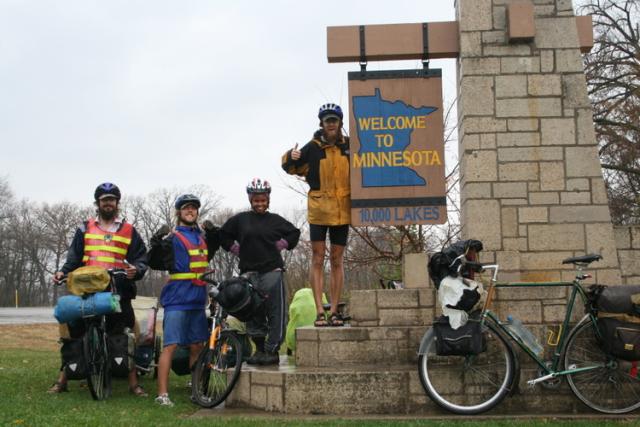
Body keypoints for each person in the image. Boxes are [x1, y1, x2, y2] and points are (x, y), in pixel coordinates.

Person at [49, 182, 148, 396]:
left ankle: (133, 384)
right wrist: (62, 272)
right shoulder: (84, 228)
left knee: (124, 332)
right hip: (87, 288)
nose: (108, 203)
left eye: (112, 199)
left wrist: (136, 269)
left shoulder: (129, 230)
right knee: (75, 332)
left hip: (117, 288)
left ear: (117, 203)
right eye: (104, 200)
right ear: (98, 203)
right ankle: (63, 380)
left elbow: (141, 257)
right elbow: (74, 258)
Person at [147, 194, 220, 406]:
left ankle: (196, 391)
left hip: (197, 300)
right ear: (179, 212)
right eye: (186, 208)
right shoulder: (172, 237)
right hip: (177, 298)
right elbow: (154, 260)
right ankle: (162, 395)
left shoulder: (202, 237)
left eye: (194, 208)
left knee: (197, 345)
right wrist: (156, 240)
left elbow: (213, 249)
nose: (190, 211)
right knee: (170, 346)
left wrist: (214, 233)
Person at [281, 103, 350, 327]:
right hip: (319, 210)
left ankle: (336, 311)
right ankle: (320, 311)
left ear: (340, 123)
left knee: (337, 260)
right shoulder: (311, 148)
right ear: (321, 123)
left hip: (343, 211)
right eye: (327, 120)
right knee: (318, 259)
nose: (331, 124)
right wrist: (290, 156)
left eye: (334, 120)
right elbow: (290, 167)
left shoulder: (350, 146)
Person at [220, 179, 300, 365]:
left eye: (263, 200)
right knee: (252, 311)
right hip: (249, 273)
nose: (260, 204)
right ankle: (259, 350)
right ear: (250, 200)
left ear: (268, 200)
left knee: (275, 312)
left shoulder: (275, 220)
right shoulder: (241, 220)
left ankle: (272, 350)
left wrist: (283, 244)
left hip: (272, 271)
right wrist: (235, 249)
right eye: (256, 200)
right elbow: (223, 234)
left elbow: (294, 233)